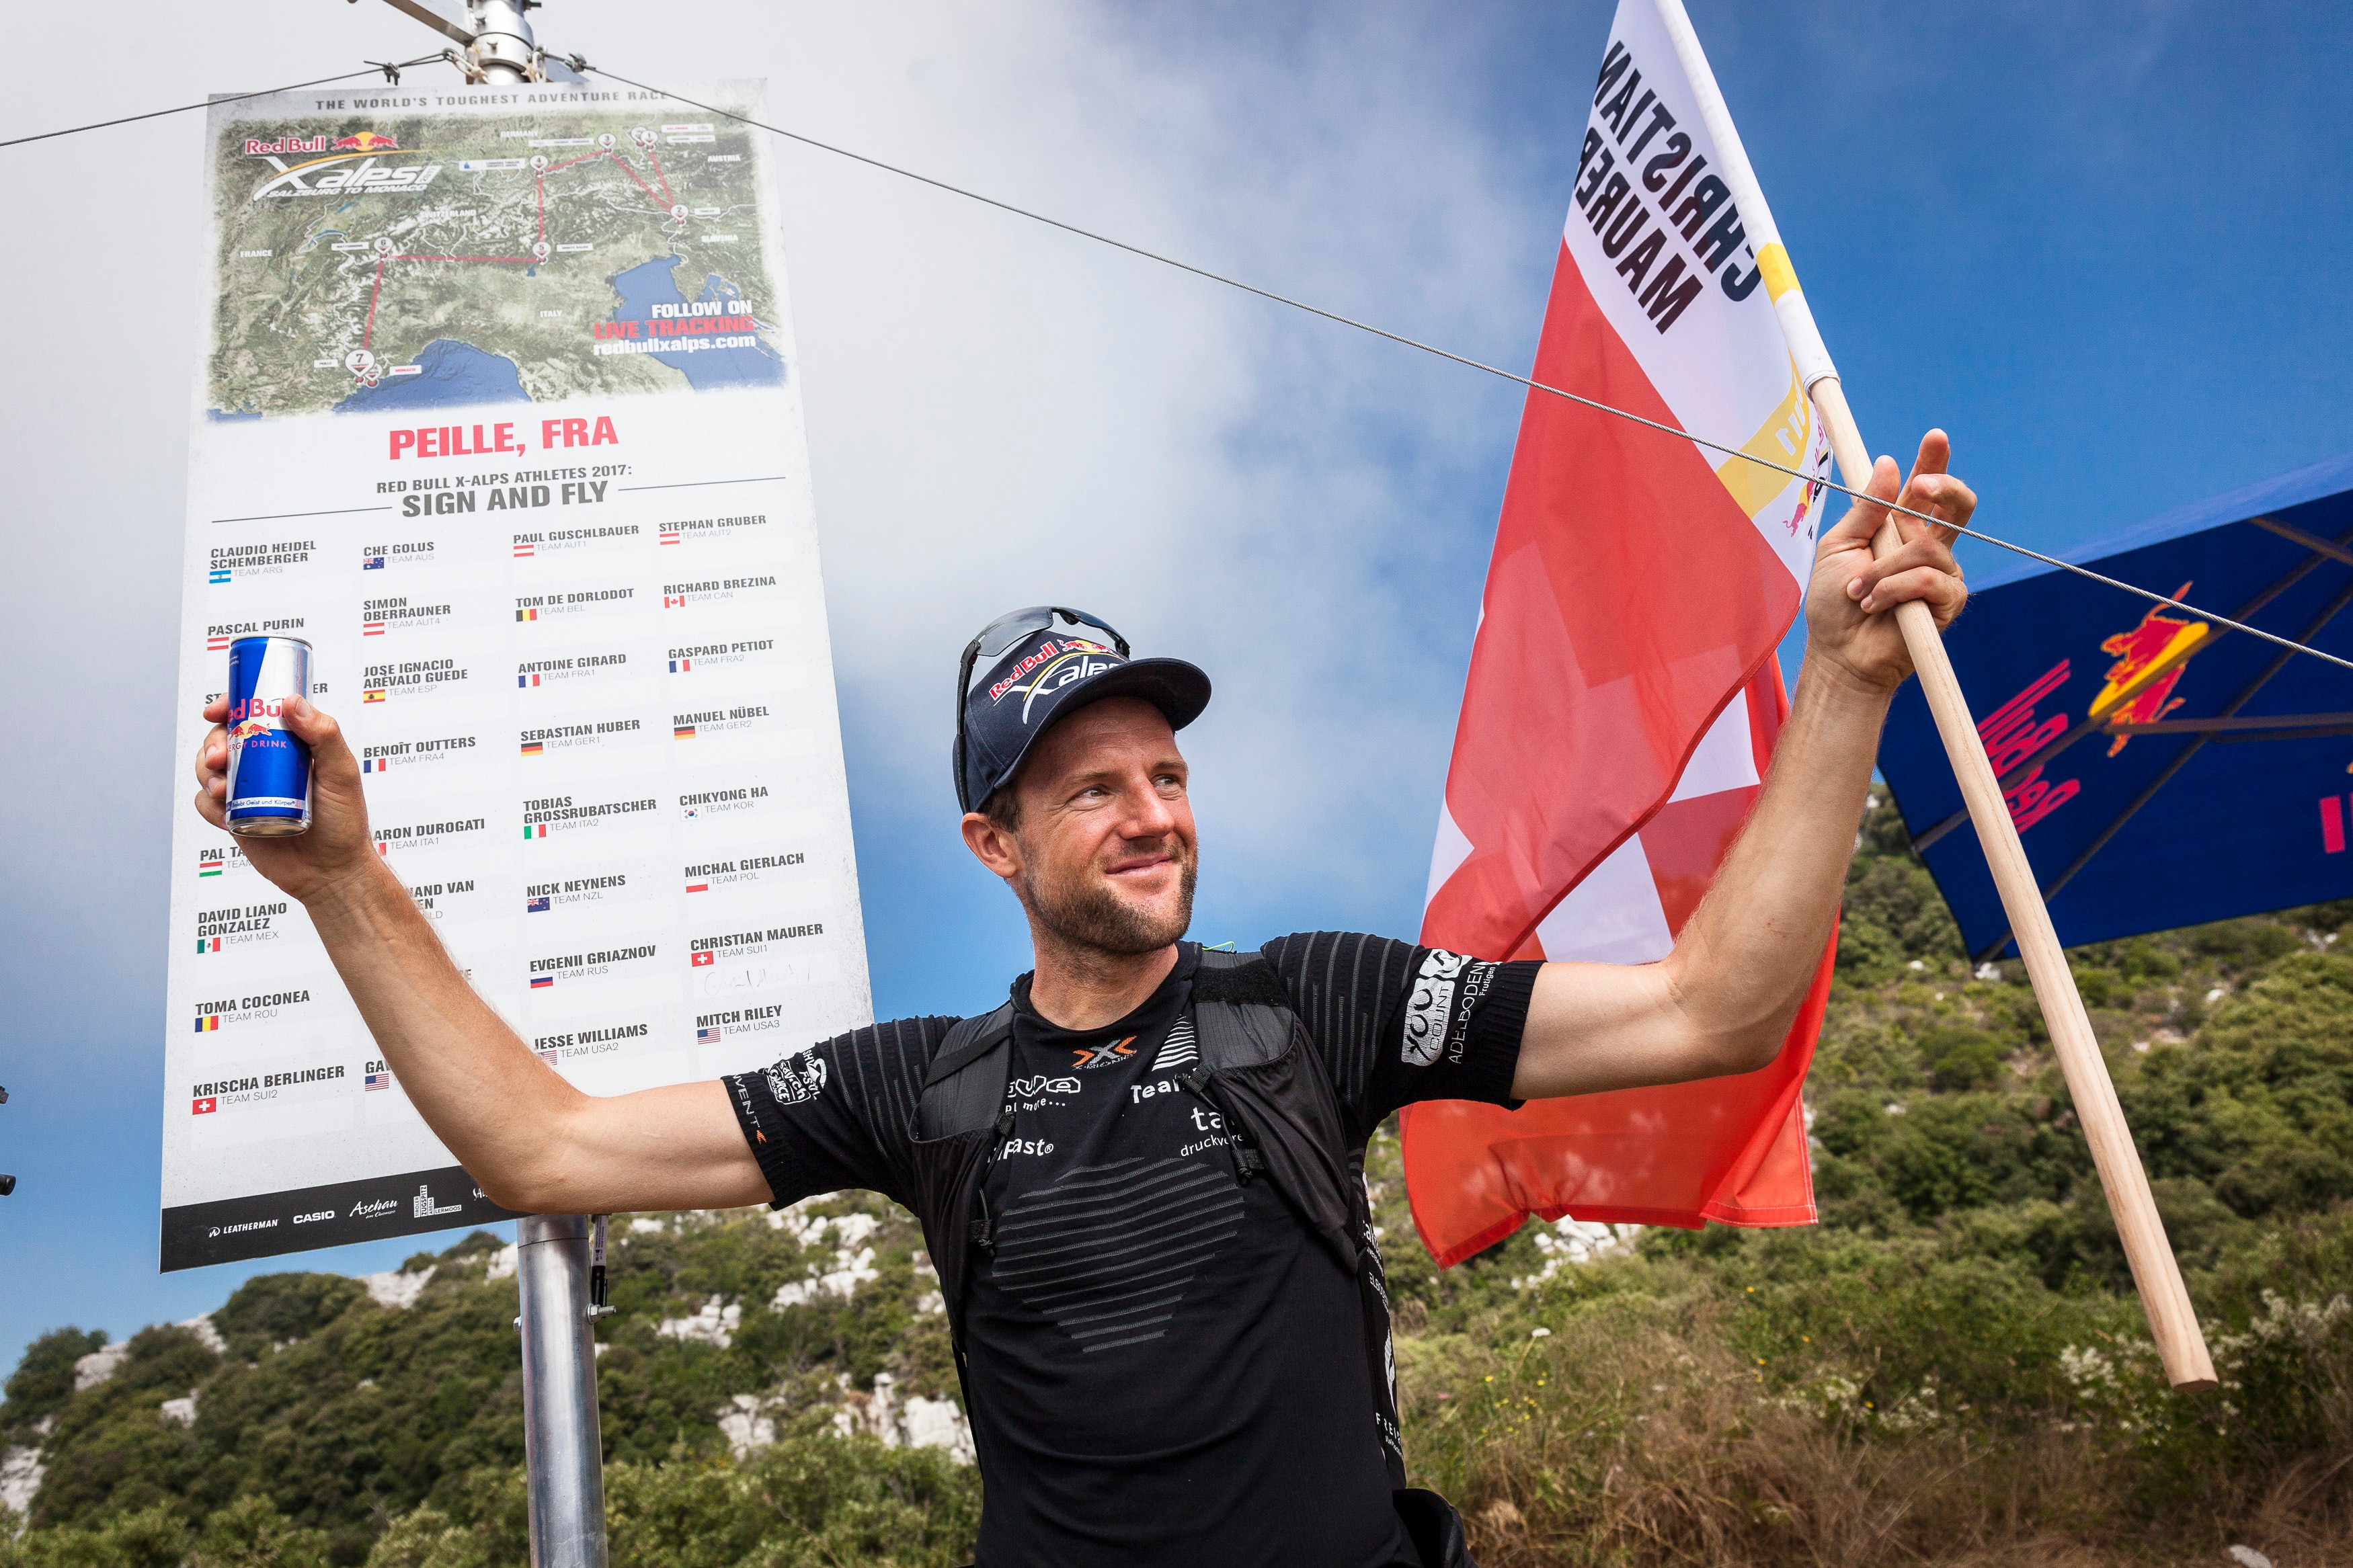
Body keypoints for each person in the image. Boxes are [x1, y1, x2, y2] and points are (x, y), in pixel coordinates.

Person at [193, 440, 1973, 1568]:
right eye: (1091, 787)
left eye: (1166, 771)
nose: (1154, 813)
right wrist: (340, 878)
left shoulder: (1314, 1007)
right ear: (995, 840)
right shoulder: (920, 1087)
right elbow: (541, 1143)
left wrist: (1837, 681)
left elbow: (1705, 1016)